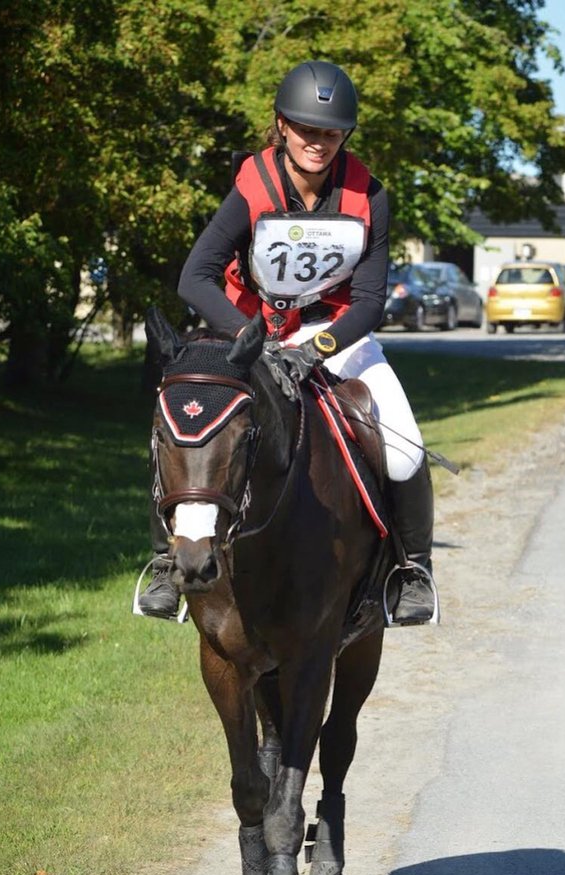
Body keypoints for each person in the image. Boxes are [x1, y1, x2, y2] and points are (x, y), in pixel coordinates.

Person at [138, 60, 436, 625]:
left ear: (344, 134)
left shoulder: (370, 195)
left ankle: (411, 569)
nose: (317, 143)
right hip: (246, 334)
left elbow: (370, 301)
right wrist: (249, 341)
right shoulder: (252, 186)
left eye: (330, 132)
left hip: (336, 334)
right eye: (306, 130)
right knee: (180, 419)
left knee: (405, 445)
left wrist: (312, 351)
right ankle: (162, 563)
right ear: (281, 126)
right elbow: (194, 276)